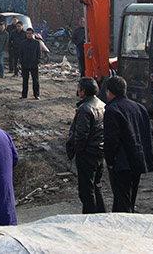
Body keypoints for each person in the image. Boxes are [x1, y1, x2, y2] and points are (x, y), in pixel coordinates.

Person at [103, 76, 153, 213]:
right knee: (131, 196)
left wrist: (110, 160)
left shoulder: (112, 110)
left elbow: (111, 139)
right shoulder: (140, 108)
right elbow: (148, 133)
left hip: (121, 163)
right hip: (137, 159)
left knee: (121, 200)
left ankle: (123, 227)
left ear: (109, 92)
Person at [66, 77, 106, 214]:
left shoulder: (85, 109)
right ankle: (100, 215)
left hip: (88, 154)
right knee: (96, 186)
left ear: (83, 91)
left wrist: (77, 151)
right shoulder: (101, 104)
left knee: (86, 190)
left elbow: (81, 135)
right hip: (99, 152)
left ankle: (90, 217)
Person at [20, 27, 41, 100]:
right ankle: (24, 95)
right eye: (27, 34)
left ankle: (36, 94)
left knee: (35, 80)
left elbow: (39, 54)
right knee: (25, 80)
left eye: (30, 34)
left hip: (34, 64)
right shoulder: (23, 43)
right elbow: (21, 53)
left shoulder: (36, 43)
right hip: (25, 64)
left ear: (33, 34)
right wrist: (21, 62)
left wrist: (37, 61)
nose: (28, 35)